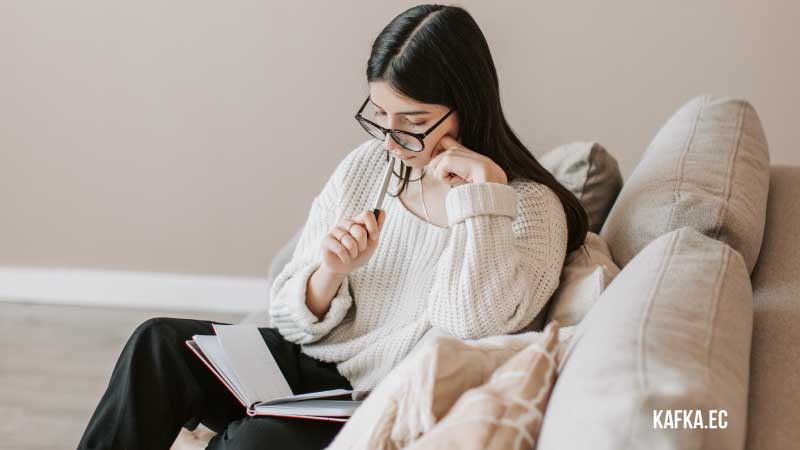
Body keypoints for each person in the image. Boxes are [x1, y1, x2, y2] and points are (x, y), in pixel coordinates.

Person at [76, 4, 588, 449]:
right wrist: (330, 273)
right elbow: (289, 315)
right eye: (381, 115)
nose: (391, 139)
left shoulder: (528, 208)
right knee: (159, 344)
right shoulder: (369, 168)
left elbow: (475, 326)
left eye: (412, 120)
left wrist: (481, 198)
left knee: (255, 441)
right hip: (311, 371)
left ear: (468, 106)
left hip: (378, 399)